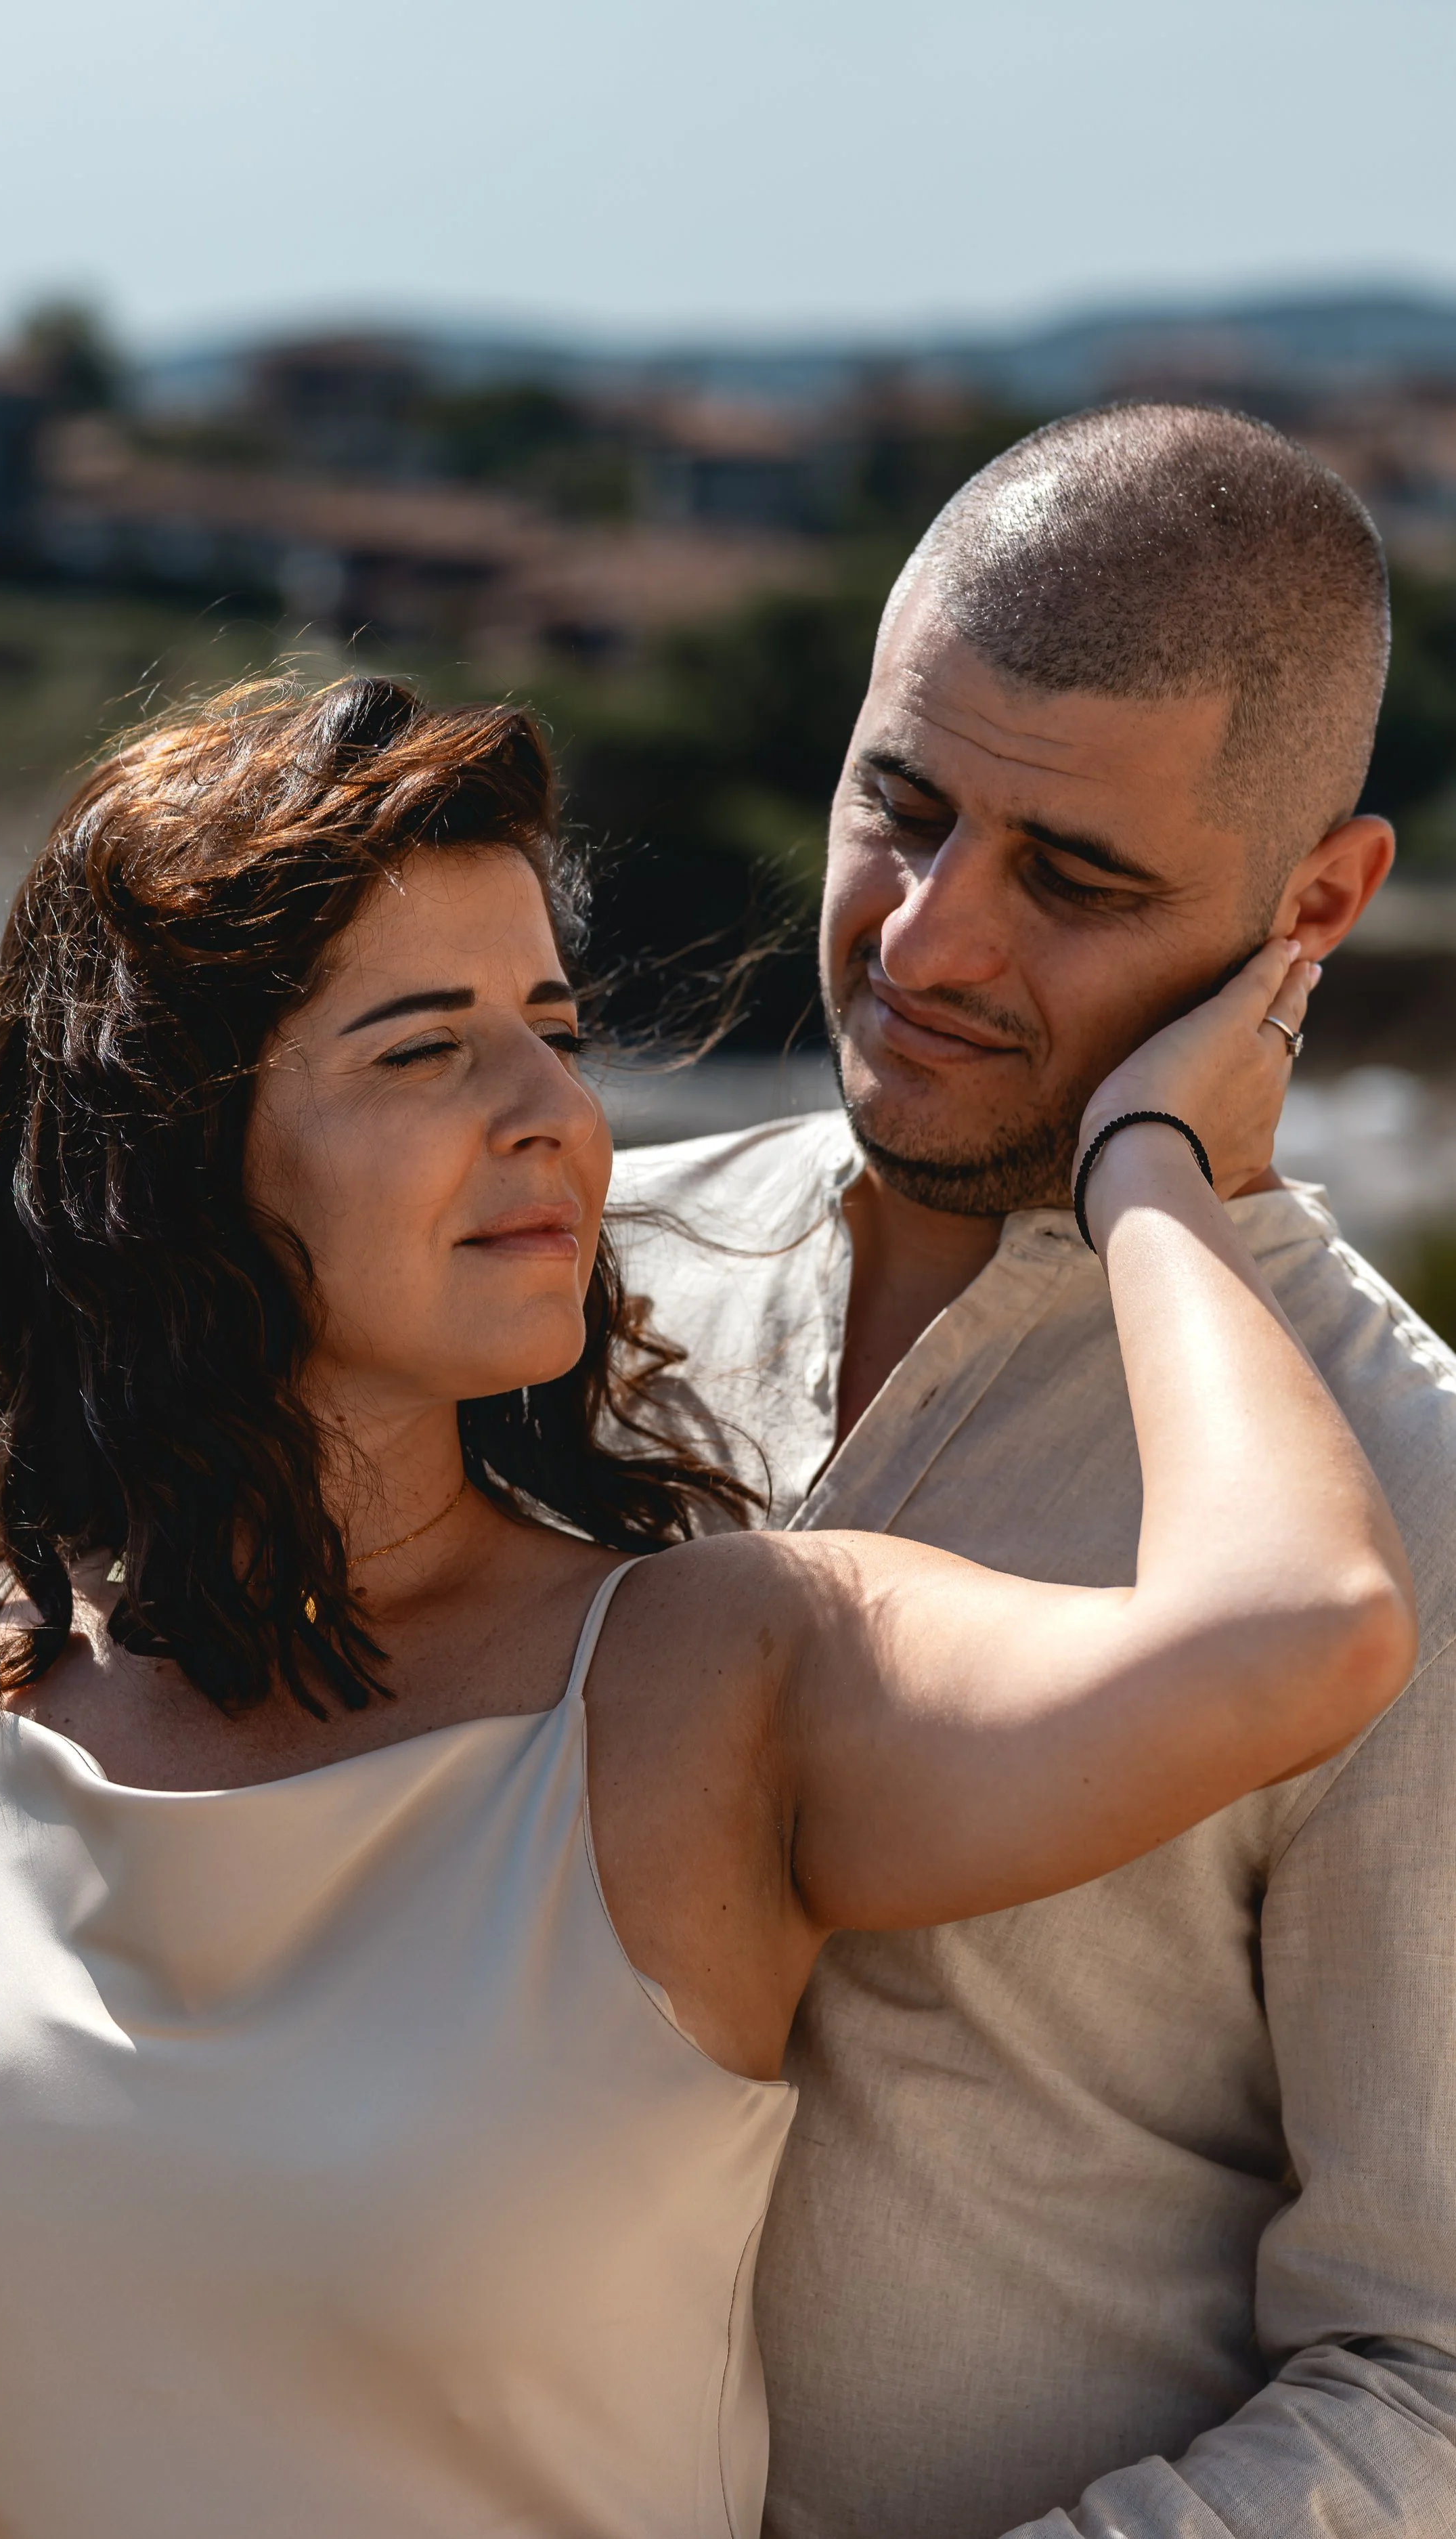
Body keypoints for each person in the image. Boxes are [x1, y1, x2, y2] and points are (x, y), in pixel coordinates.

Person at [0, 677, 1410, 2539]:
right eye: (425, 1050)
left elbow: (1307, 1624)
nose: (551, 1111)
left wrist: (1157, 1167)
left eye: (553, 1033)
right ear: (164, 1146)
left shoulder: (712, 1684)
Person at [611, 402, 1456, 2539]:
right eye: (897, 810)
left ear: (1317, 901)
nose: (926, 943)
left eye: (1072, 878)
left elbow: (1430, 2375)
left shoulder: (1414, 1492)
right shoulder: (556, 1291)